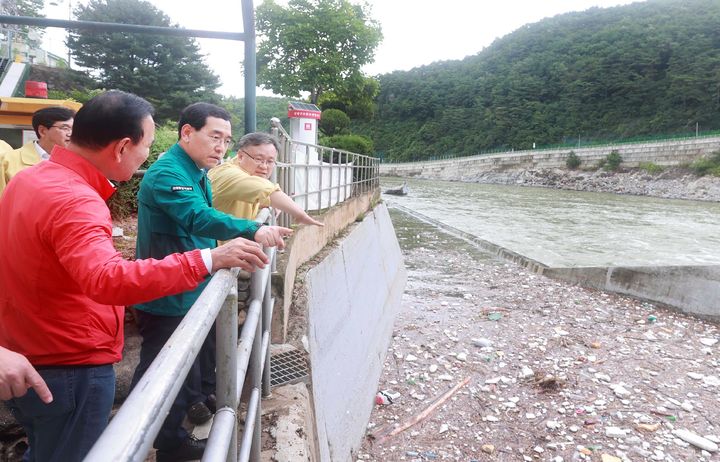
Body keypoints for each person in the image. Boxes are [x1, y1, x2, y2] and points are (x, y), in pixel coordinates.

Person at [0, 90, 282, 462]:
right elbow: (106, 278)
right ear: (121, 148)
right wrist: (207, 259)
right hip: (70, 361)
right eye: (147, 145)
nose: (148, 154)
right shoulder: (76, 199)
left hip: (31, 349)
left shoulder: (31, 180)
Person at [131, 102, 292, 462]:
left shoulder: (197, 169)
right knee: (162, 372)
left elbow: (205, 217)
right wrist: (254, 228)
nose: (221, 146)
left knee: (190, 365)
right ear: (187, 133)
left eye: (226, 139)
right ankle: (165, 443)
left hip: (191, 285)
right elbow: (200, 218)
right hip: (168, 293)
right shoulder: (168, 173)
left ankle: (183, 419)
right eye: (214, 137)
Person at [209, 132, 324, 225]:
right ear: (240, 156)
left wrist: (267, 204)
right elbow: (266, 191)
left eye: (270, 161)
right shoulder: (227, 174)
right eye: (258, 159)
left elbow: (256, 192)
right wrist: (300, 215)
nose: (264, 166)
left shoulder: (247, 176)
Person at [0, 106, 75, 198]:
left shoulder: (75, 162)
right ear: (42, 131)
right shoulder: (8, 161)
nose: (70, 134)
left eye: (73, 129)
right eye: (65, 128)